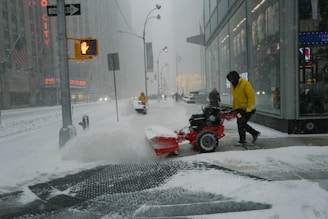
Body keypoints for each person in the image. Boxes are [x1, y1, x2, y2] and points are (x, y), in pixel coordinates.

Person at [226, 71, 261, 145]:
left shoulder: (245, 84)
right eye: (229, 80)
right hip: (239, 109)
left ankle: (255, 133)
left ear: (235, 78)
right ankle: (242, 139)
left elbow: (251, 97)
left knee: (242, 123)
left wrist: (249, 109)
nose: (231, 82)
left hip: (247, 109)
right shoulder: (233, 86)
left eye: (231, 80)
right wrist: (234, 108)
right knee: (240, 124)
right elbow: (236, 98)